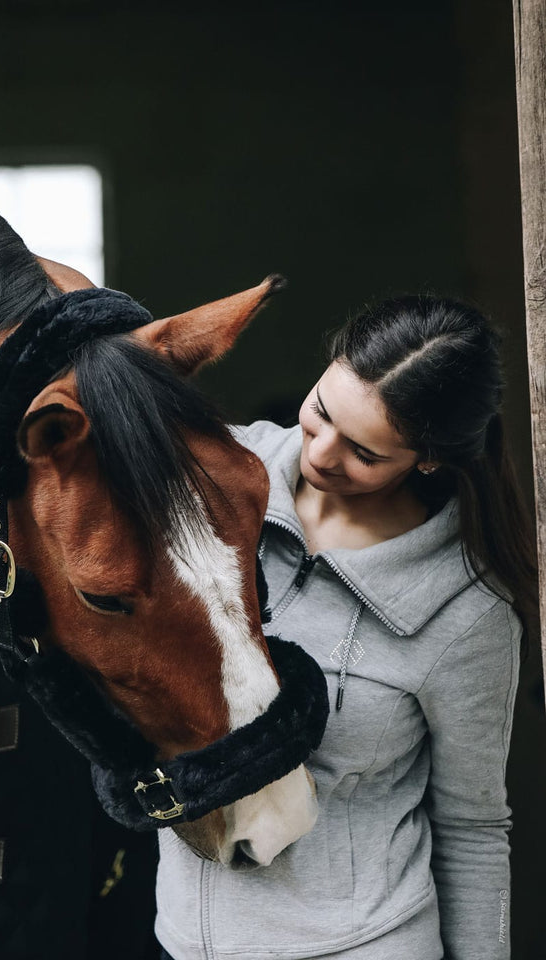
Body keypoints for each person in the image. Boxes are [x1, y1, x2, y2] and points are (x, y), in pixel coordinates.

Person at [155, 295, 538, 960]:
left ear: (427, 460)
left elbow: (473, 829)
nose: (323, 454)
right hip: (182, 942)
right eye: (321, 412)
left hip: (361, 944)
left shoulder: (467, 612)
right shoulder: (213, 480)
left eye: (363, 451)